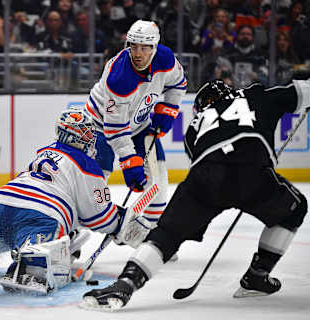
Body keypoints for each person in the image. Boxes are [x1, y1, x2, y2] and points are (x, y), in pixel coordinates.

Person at [80, 78, 310, 311]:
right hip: (249, 168)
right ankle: (257, 275)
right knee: (295, 208)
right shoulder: (256, 95)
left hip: (203, 176)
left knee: (166, 234)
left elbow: (200, 157)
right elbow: (301, 90)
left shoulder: (193, 128)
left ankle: (126, 282)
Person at [0, 108, 150, 294]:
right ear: (80, 137)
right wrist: (120, 223)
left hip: (1, 203)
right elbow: (99, 216)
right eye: (89, 135)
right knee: (37, 270)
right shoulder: (88, 165)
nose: (92, 140)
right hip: (41, 216)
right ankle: (28, 264)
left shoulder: (46, 151)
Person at [85, 19, 187, 227]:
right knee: (95, 180)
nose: (138, 53)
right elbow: (115, 127)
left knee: (158, 181)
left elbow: (178, 83)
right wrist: (129, 160)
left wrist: (169, 109)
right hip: (99, 125)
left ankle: (149, 233)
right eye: (134, 46)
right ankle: (73, 232)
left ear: (155, 47)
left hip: (138, 126)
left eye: (144, 47)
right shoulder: (119, 77)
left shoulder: (165, 59)